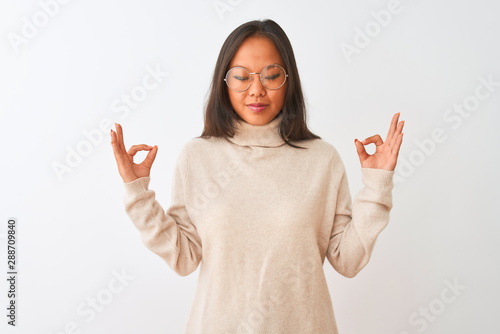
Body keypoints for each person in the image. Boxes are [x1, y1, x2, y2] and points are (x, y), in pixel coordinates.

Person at [110, 19, 404, 334]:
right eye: (241, 77)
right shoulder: (198, 157)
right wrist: (137, 192)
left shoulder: (322, 159)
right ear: (224, 82)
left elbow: (348, 260)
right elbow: (184, 257)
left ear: (289, 81)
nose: (257, 90)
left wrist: (376, 186)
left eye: (272, 76)